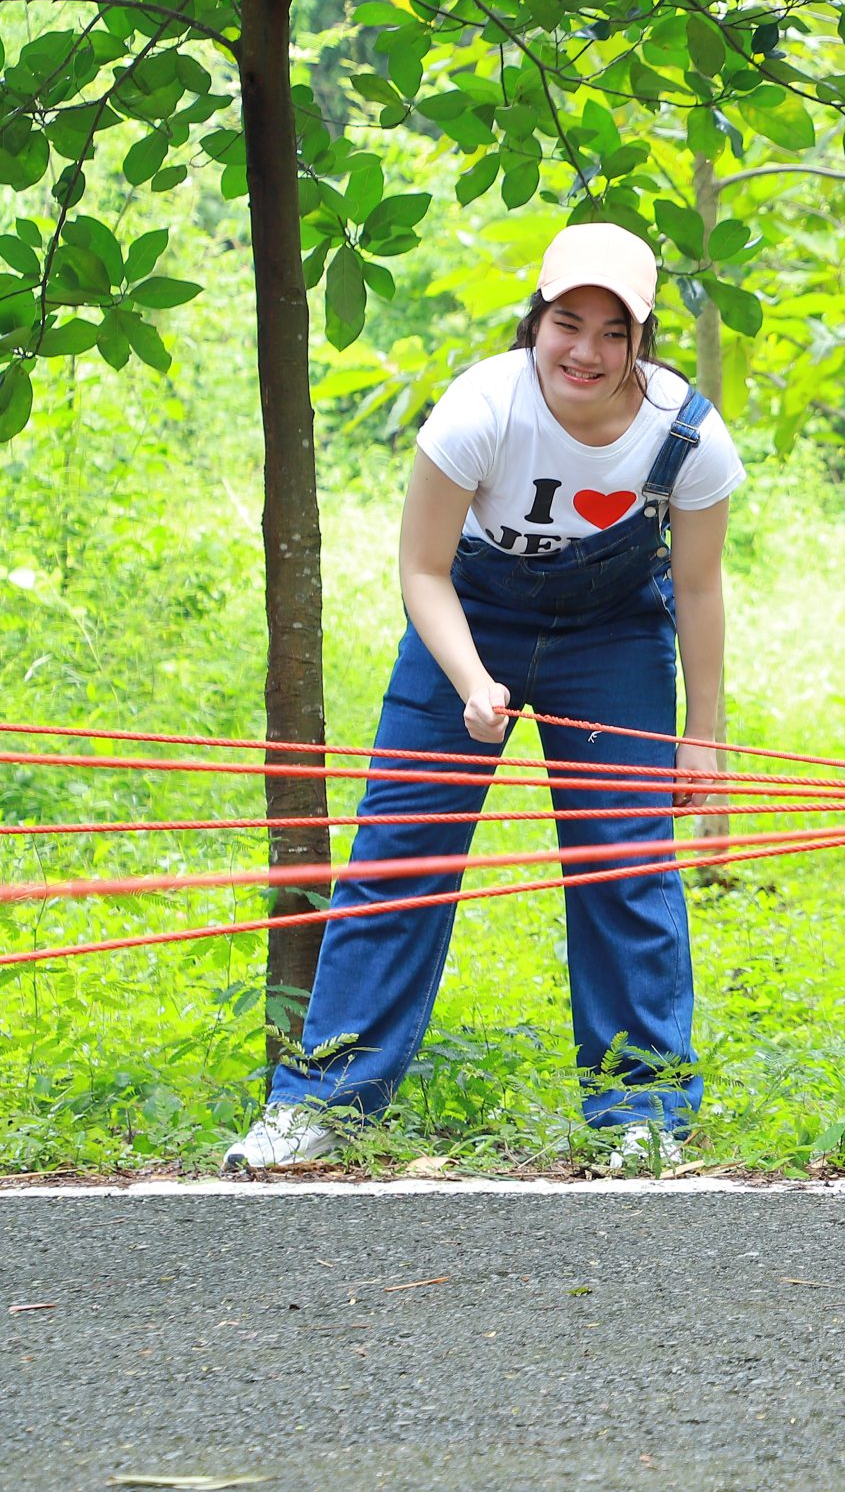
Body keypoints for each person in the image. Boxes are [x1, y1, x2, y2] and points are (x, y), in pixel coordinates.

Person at [224, 222, 744, 1172]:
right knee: (400, 848)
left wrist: (701, 733)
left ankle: (644, 1115)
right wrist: (472, 681)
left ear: (643, 337)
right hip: (469, 617)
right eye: (567, 322)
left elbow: (700, 587)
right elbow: (422, 568)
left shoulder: (688, 437)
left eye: (614, 331)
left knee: (624, 861)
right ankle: (320, 1105)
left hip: (616, 634)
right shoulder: (479, 409)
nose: (586, 351)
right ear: (535, 320)